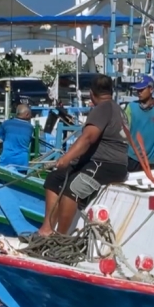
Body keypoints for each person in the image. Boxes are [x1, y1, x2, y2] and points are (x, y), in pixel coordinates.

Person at [37, 74, 129, 236]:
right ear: (111, 92)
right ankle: (46, 230)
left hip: (106, 164)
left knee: (72, 189)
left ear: (91, 94)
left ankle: (61, 237)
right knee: (54, 178)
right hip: (106, 163)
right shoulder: (117, 109)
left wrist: (66, 158)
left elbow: (88, 138)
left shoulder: (102, 109)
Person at [124, 74, 154, 172]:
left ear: (151, 89)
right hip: (132, 158)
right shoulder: (131, 107)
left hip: (150, 160)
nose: (139, 92)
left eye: (142, 89)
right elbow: (124, 131)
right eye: (138, 89)